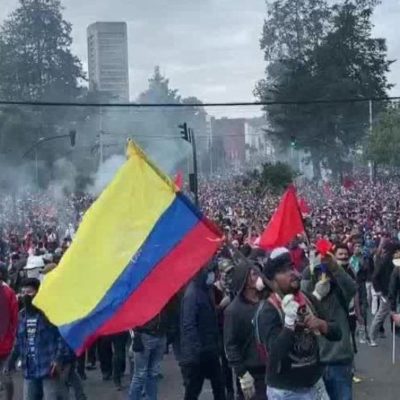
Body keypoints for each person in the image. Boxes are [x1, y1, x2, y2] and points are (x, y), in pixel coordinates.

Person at [257, 248, 341, 400]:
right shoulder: (268, 310)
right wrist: (289, 323)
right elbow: (274, 355)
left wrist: (321, 324)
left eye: (291, 267)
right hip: (286, 391)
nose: (291, 273)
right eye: (283, 271)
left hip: (315, 385)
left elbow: (337, 333)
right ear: (272, 281)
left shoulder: (308, 299)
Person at [302, 250, 357, 400]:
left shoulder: (339, 292)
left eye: (326, 272)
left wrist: (334, 266)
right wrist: (311, 266)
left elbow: (352, 287)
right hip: (315, 362)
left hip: (339, 360)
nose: (323, 276)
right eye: (319, 272)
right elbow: (299, 295)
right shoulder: (306, 294)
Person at [7, 278, 68, 400]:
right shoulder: (21, 316)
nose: (25, 296)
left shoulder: (49, 314)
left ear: (37, 293)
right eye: (23, 292)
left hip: (48, 368)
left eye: (29, 292)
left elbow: (61, 338)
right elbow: (19, 342)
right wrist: (11, 361)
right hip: (29, 369)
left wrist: (57, 359)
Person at [180, 265, 226, 400]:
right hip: (198, 353)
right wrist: (196, 351)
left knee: (219, 385)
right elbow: (189, 325)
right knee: (193, 389)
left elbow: (208, 317)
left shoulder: (205, 290)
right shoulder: (192, 294)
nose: (212, 276)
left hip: (209, 348)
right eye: (210, 272)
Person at [224, 259, 267, 400]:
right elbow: (230, 345)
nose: (259, 277)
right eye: (254, 274)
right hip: (251, 373)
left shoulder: (268, 302)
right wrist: (242, 373)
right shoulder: (234, 310)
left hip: (271, 371)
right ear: (245, 280)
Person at [128, 299, 175, 400]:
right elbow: (131, 313)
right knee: (140, 375)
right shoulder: (141, 291)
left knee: (153, 373)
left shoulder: (162, 292)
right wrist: (135, 335)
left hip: (159, 334)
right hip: (145, 334)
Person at [370, 242, 400, 346]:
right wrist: (379, 291)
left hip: (394, 292)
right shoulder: (386, 262)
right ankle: (371, 337)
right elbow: (375, 276)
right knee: (381, 315)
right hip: (386, 293)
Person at [0, 264, 18, 400]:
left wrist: (14, 338)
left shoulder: (8, 293)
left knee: (6, 376)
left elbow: (14, 318)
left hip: (6, 343)